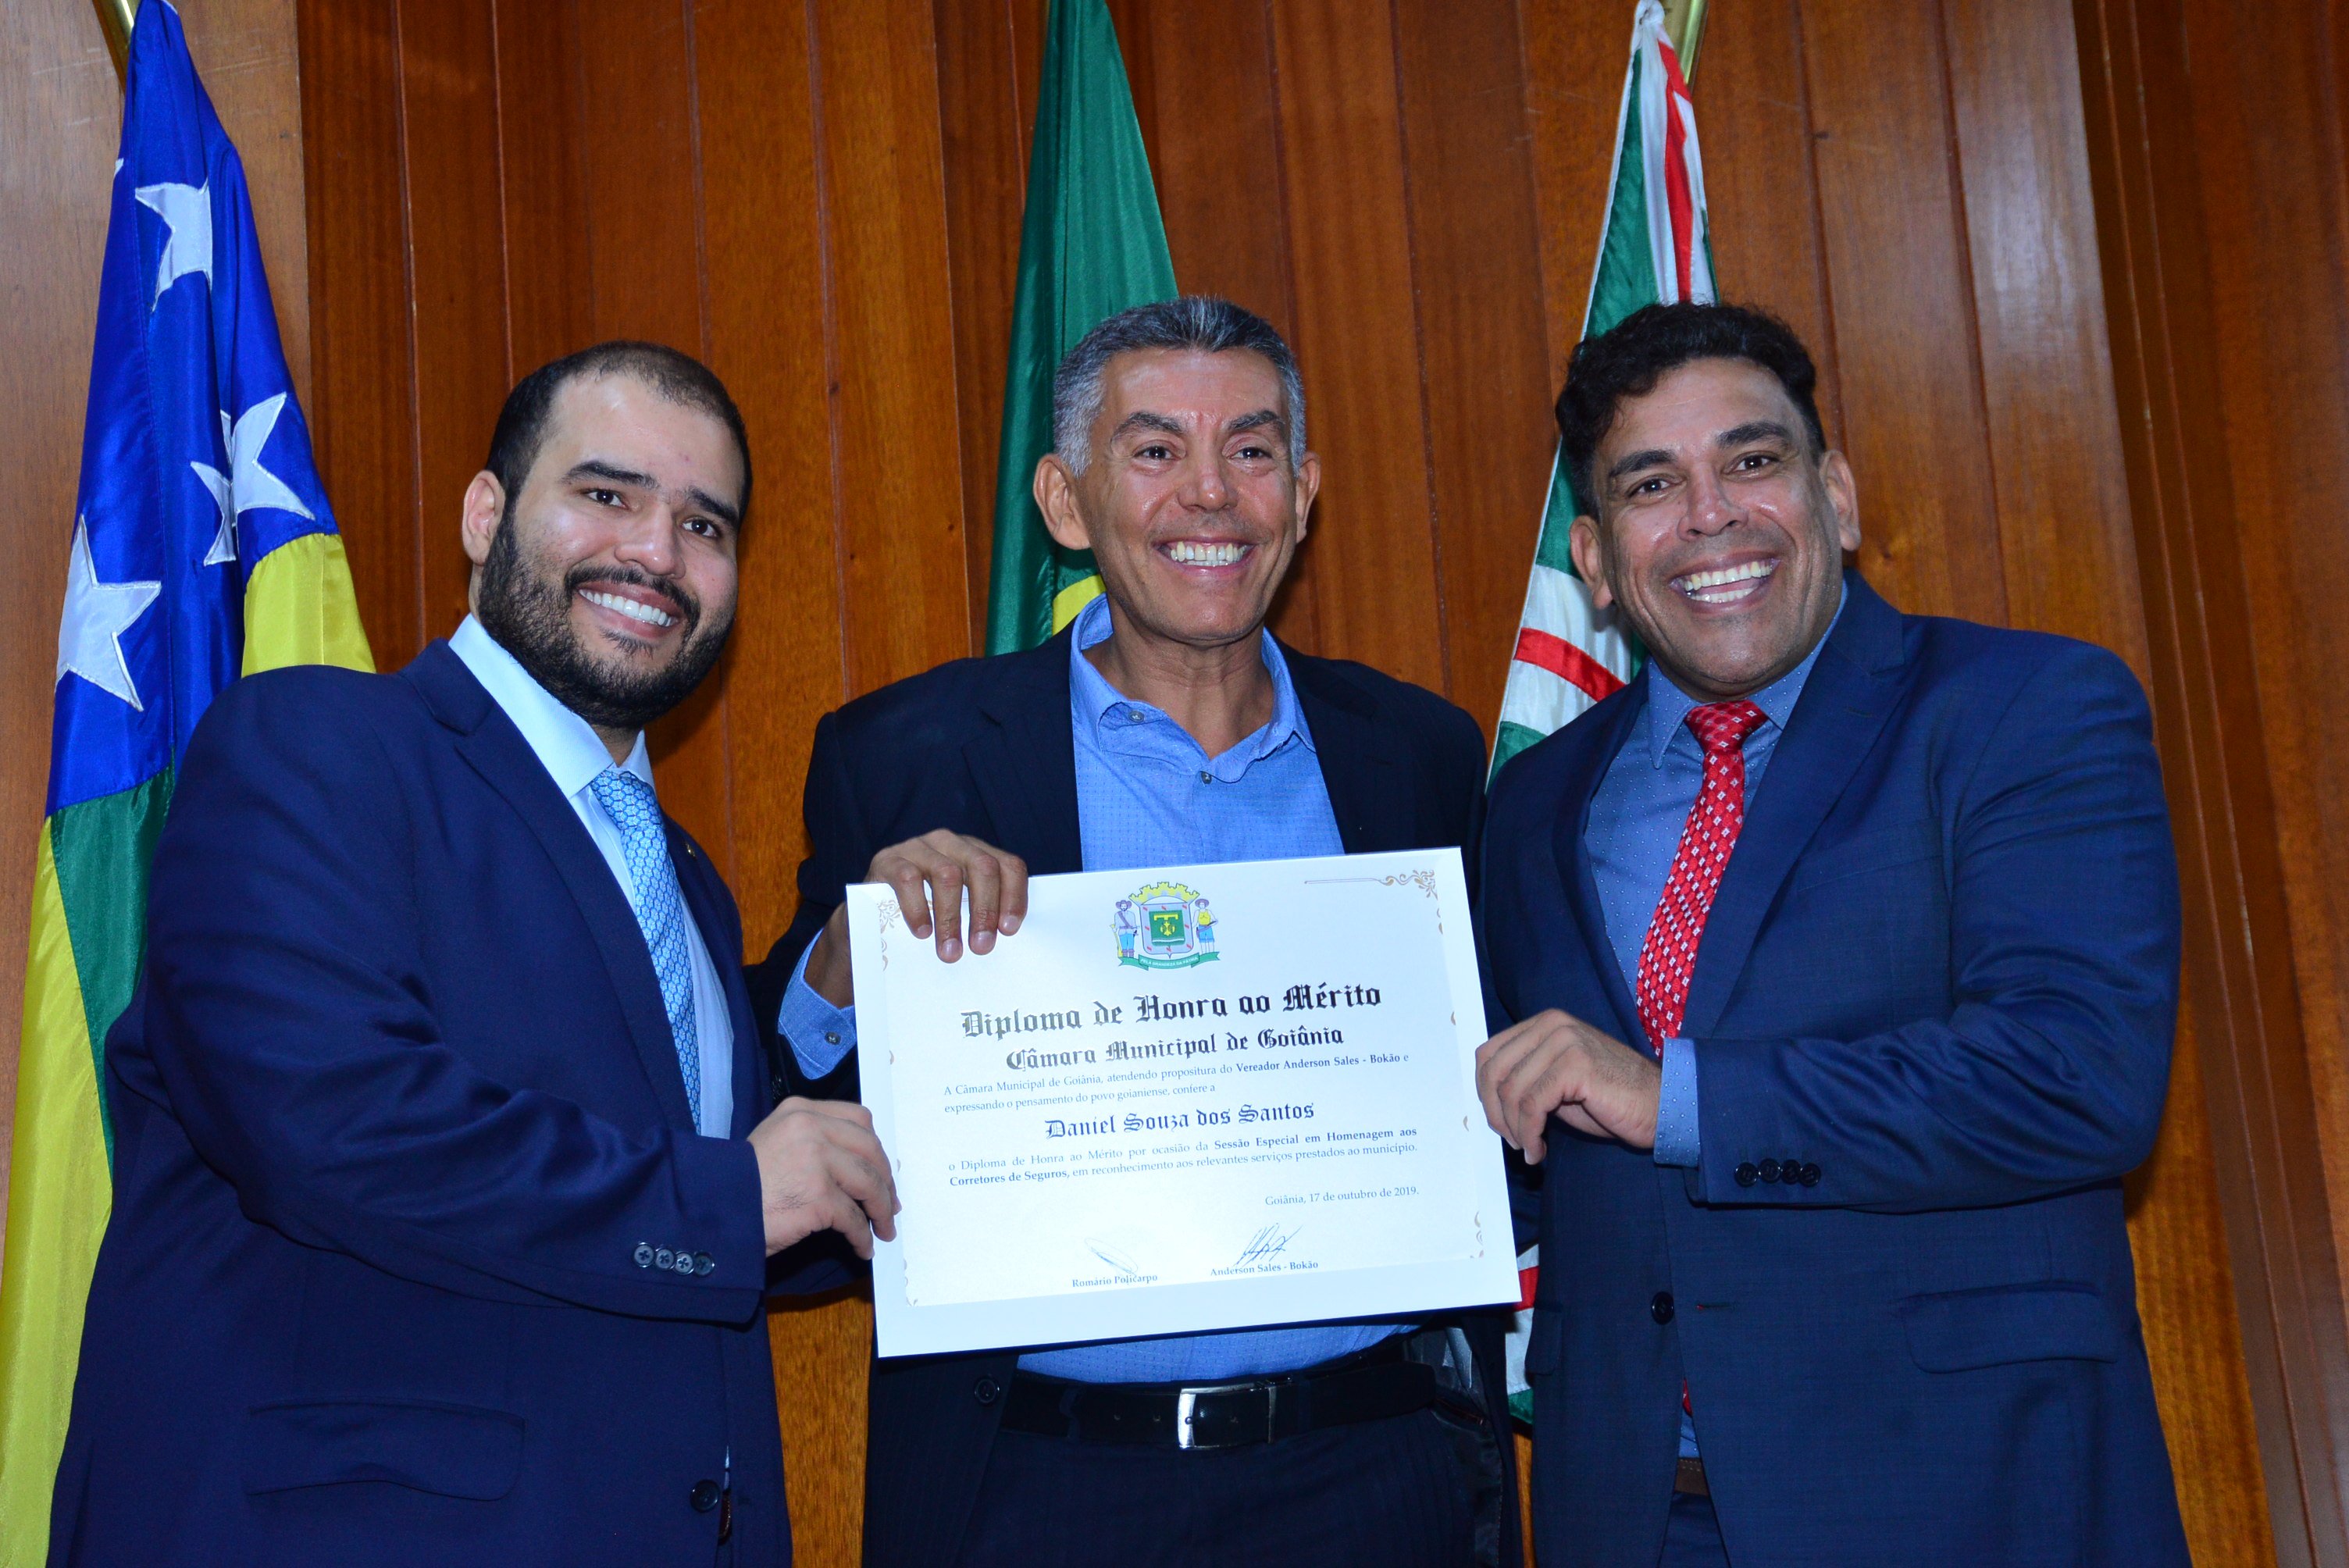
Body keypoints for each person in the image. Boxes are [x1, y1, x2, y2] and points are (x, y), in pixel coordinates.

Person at [51, 342, 900, 1567]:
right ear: (485, 516)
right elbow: (327, 1120)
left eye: (704, 525)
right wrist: (726, 1199)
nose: (657, 554)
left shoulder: (685, 883)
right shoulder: (310, 746)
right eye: (606, 494)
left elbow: (717, 1200)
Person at [747, 297, 1520, 1567]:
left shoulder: (1418, 752)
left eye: (1252, 450)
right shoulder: (907, 755)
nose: (1209, 494)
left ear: (1302, 495)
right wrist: (851, 950)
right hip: (1039, 1487)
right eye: (1155, 450)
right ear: (1066, 503)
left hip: (1371, 1470)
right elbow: (782, 1102)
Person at [1475, 302, 2188, 1568]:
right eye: (1652, 484)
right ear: (1595, 560)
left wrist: (1675, 1098)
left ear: (1838, 497)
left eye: (1751, 460)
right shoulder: (1532, 804)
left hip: (1964, 1492)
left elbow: (2074, 1078)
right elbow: (1514, 1138)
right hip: (1633, 1512)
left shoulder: (2025, 710)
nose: (1710, 515)